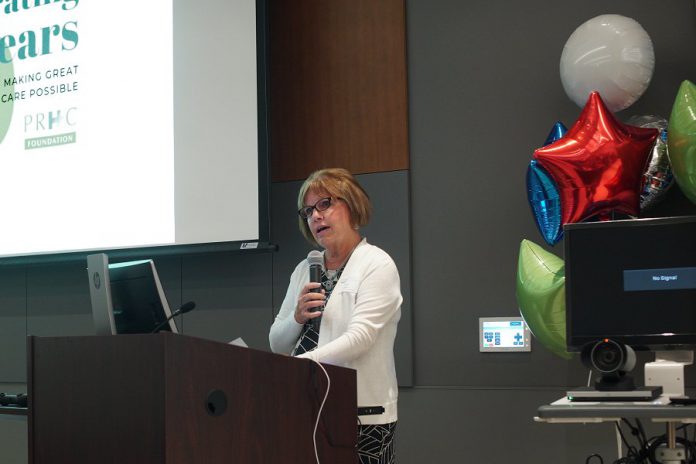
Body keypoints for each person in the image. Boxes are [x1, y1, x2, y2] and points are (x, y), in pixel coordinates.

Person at [269, 168, 402, 464]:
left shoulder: (377, 264)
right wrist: (297, 318)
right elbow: (277, 343)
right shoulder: (304, 269)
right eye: (308, 210)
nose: (315, 216)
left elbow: (360, 338)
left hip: (361, 416)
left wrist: (295, 367)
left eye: (325, 204)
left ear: (352, 206)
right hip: (306, 408)